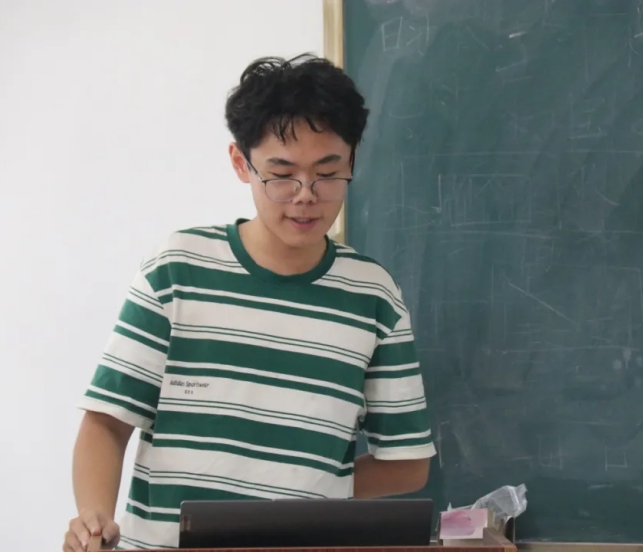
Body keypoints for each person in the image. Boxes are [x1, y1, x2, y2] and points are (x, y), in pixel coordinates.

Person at [63, 53, 436, 552]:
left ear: (351, 162)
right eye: (281, 175)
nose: (306, 196)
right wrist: (94, 516)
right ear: (242, 163)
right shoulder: (177, 270)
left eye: (328, 173)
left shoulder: (374, 297)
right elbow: (107, 422)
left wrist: (304, 497)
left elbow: (407, 463)